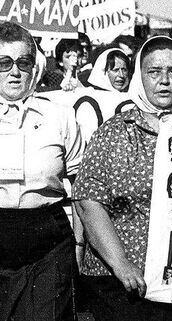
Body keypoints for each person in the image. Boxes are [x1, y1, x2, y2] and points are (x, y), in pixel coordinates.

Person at [72, 36, 172, 321]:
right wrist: (122, 265)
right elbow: (88, 202)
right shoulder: (114, 133)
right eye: (154, 72)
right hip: (121, 285)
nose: (164, 80)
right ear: (140, 76)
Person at [0, 22, 83, 321]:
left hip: (46, 240)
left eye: (23, 62)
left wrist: (80, 245)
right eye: (4, 63)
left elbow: (80, 187)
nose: (15, 72)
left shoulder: (59, 115)